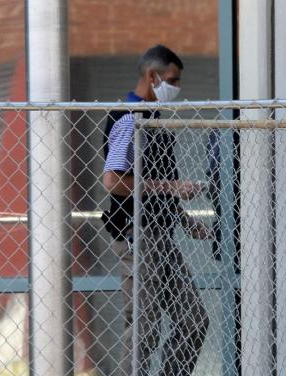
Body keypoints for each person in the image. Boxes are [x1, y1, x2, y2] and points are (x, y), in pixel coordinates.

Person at [101, 44, 211, 376]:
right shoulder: (127, 119)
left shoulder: (153, 118)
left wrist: (181, 216)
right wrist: (171, 188)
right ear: (153, 76)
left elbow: (156, 177)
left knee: (193, 320)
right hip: (136, 234)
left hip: (162, 235)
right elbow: (113, 180)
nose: (175, 88)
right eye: (172, 80)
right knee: (144, 327)